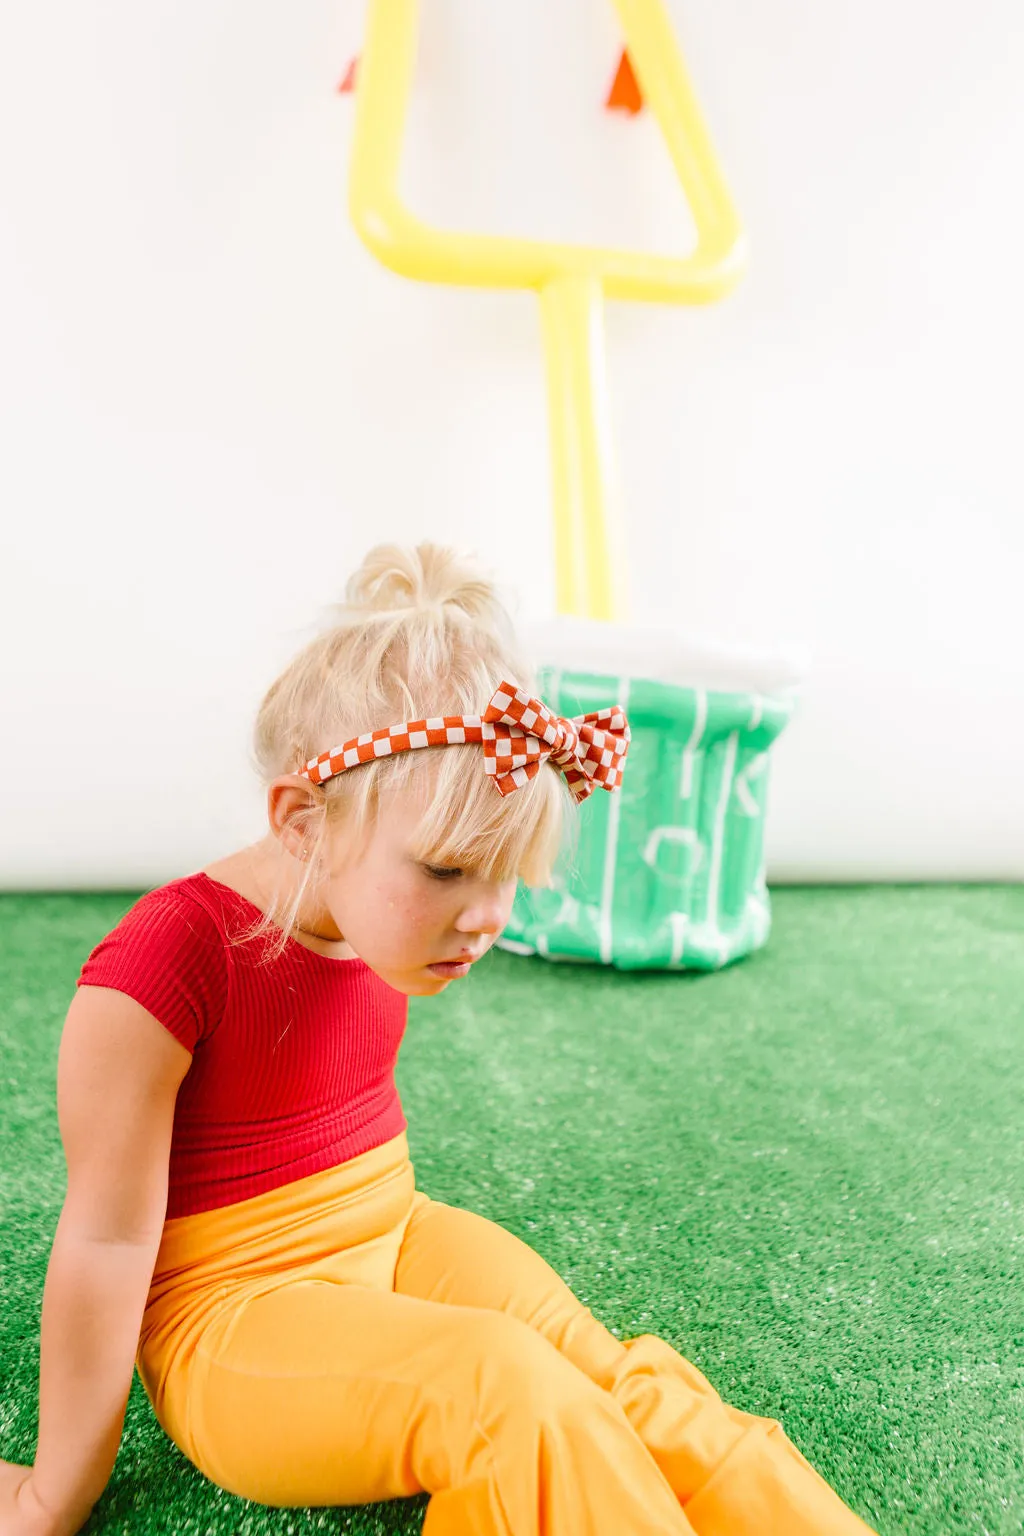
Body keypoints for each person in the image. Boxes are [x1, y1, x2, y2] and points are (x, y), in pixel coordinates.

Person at [0, 544, 879, 1536]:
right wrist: (49, 1493)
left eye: (505, 873)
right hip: (231, 1316)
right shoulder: (160, 967)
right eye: (449, 871)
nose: (486, 917)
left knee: (614, 1379)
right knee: (507, 1390)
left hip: (395, 1231)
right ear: (302, 821)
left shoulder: (375, 914)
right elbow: (105, 1242)